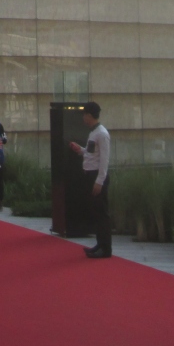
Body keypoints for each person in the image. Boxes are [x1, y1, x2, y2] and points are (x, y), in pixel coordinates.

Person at [69, 101, 112, 259]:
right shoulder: (93, 133)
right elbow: (91, 153)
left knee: (102, 214)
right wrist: (80, 150)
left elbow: (104, 160)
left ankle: (105, 248)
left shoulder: (102, 134)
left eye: (84, 114)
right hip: (90, 175)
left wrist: (99, 181)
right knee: (96, 212)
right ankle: (100, 244)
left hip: (97, 176)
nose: (83, 118)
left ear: (89, 115)